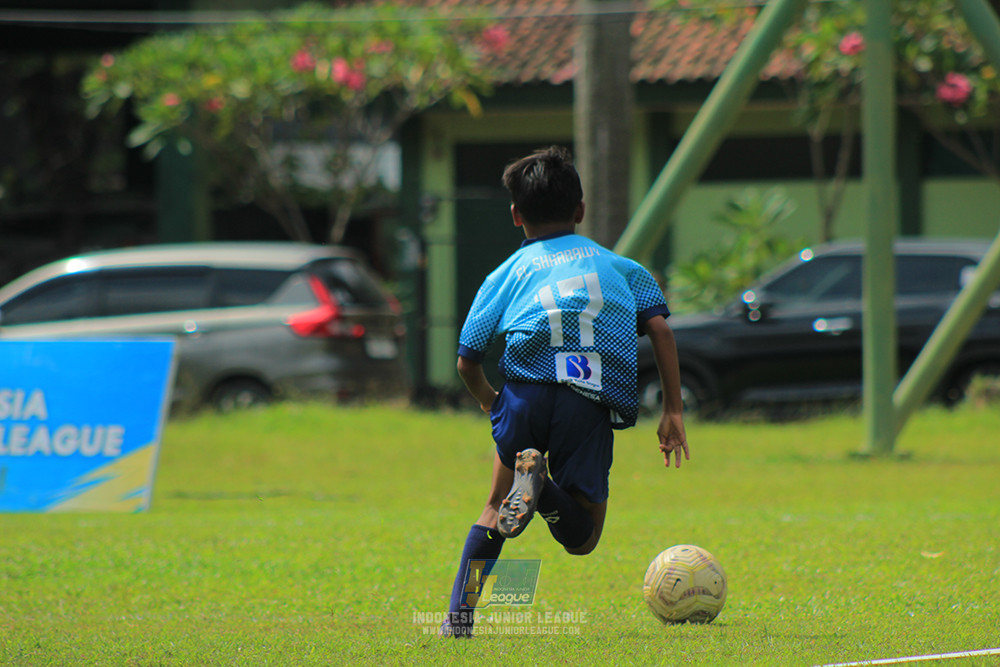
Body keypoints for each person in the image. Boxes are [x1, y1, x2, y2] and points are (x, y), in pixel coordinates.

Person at [442, 146, 688, 638]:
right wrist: (674, 411)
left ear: (516, 215)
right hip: (587, 397)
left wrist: (495, 405)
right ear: (580, 210)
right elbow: (660, 330)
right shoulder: (621, 267)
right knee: (582, 539)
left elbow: (467, 360)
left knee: (494, 506)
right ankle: (546, 490)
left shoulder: (506, 273)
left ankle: (458, 619)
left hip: (524, 394)